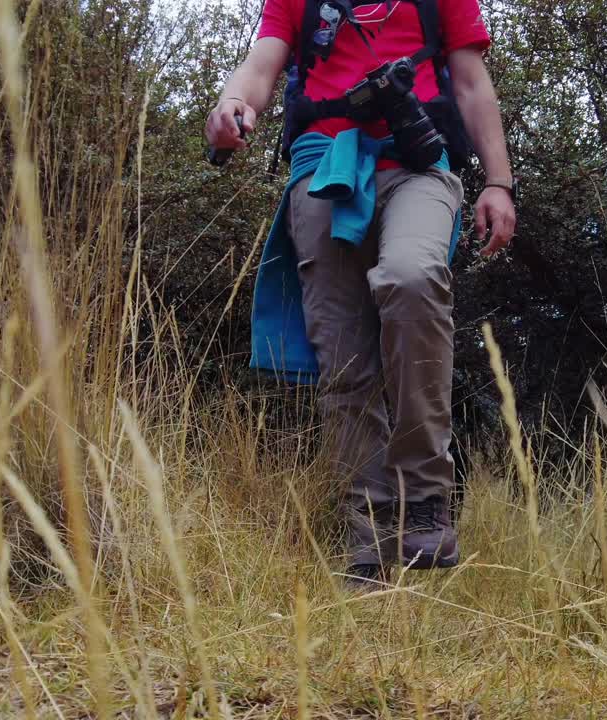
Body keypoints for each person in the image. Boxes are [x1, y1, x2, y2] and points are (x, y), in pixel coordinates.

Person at [205, 0, 516, 590]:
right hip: (321, 166)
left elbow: (473, 85)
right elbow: (260, 68)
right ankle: (367, 542)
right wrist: (231, 104)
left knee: (412, 275)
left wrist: (498, 182)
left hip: (419, 163)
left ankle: (425, 494)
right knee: (344, 359)